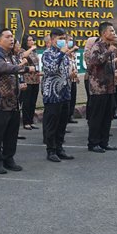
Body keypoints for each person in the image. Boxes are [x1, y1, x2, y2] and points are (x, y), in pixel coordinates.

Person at [0, 29, 32, 174]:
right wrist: (23, 68)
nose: (12, 39)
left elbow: (14, 73)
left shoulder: (12, 56)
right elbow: (6, 68)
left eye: (12, 37)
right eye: (8, 37)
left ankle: (8, 159)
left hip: (13, 102)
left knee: (12, 134)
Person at [85, 22, 117, 152]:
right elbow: (95, 62)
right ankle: (93, 143)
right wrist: (108, 52)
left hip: (109, 88)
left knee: (107, 116)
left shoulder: (108, 46)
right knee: (97, 117)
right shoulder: (97, 46)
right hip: (98, 89)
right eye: (111, 31)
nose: (114, 33)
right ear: (104, 33)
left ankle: (104, 142)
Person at [40, 28, 74, 162]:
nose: (63, 41)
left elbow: (64, 72)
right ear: (53, 39)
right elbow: (52, 69)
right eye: (60, 38)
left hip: (64, 93)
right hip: (52, 94)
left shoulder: (65, 55)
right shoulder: (47, 54)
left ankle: (60, 148)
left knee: (62, 123)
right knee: (52, 123)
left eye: (64, 38)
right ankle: (51, 150)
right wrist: (61, 53)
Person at [19, 34, 40, 130]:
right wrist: (31, 49)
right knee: (26, 101)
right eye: (29, 40)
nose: (32, 42)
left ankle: (31, 120)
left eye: (32, 40)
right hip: (27, 78)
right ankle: (26, 121)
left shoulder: (34, 52)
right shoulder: (23, 50)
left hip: (35, 78)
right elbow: (23, 55)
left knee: (33, 101)